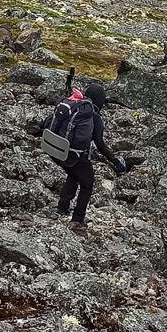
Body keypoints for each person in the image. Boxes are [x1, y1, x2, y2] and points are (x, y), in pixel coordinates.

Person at [40, 82, 125, 227]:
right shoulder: (93, 116)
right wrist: (116, 162)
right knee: (87, 183)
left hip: (53, 150)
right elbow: (100, 145)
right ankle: (78, 219)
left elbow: (44, 124)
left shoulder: (72, 105)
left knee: (74, 174)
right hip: (72, 154)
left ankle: (62, 207)